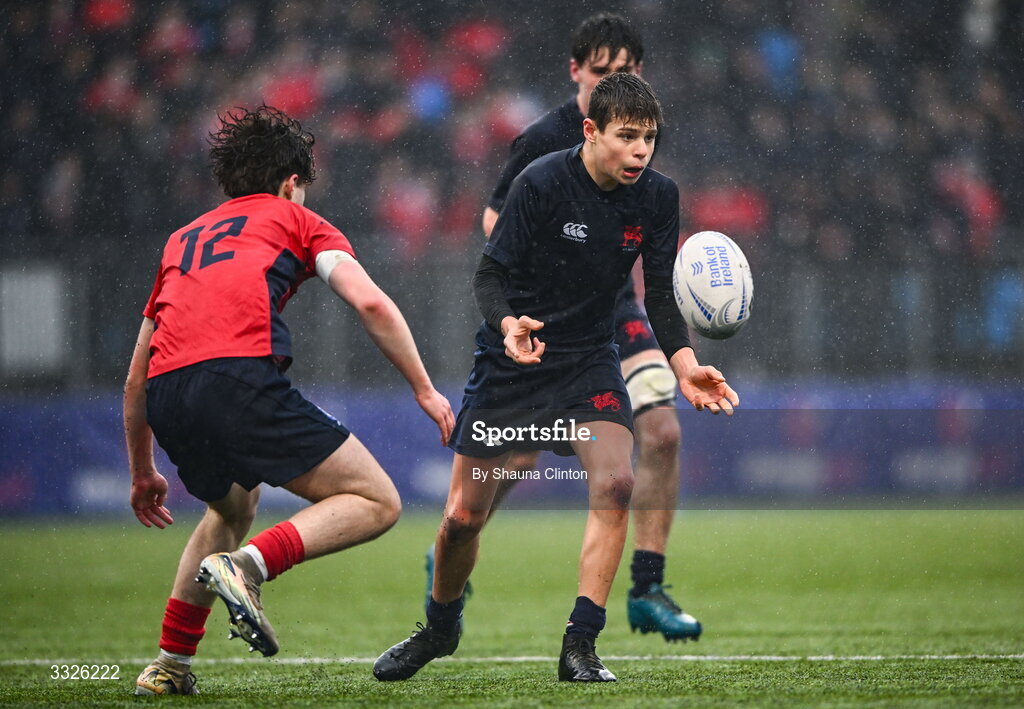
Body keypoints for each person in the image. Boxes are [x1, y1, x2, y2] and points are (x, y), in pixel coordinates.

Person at [376, 73, 738, 684]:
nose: (641, 151)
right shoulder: (541, 181)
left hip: (587, 362)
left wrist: (684, 366)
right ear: (592, 131)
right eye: (627, 137)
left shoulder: (657, 197)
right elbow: (490, 275)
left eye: (650, 138)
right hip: (512, 360)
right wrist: (509, 323)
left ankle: (581, 645)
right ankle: (439, 627)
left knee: (617, 482)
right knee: (463, 518)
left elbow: (662, 300)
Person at [124, 105, 454, 695]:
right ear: (290, 182)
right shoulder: (298, 220)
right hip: (238, 379)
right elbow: (372, 304)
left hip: (168, 395)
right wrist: (425, 388)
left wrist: (142, 469)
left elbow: (136, 376)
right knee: (377, 500)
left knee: (231, 507)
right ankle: (248, 567)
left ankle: (170, 664)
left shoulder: (183, 238)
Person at [425, 11, 701, 644]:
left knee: (658, 431)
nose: (613, 79)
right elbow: (496, 230)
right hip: (538, 310)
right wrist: (544, 276)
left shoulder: (645, 159)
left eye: (625, 70)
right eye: (600, 71)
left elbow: (653, 273)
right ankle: (452, 559)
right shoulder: (540, 145)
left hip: (611, 312)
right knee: (509, 464)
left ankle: (646, 587)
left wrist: (684, 360)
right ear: (576, 74)